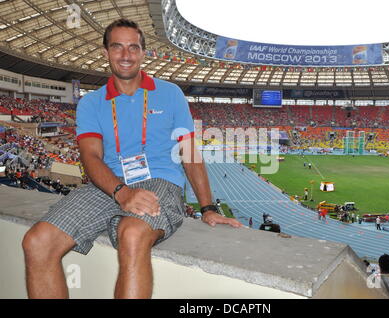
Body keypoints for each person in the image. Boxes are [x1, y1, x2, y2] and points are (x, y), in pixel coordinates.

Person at [21, 19, 242, 300]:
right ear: (106, 52)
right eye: (117, 47)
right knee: (37, 242)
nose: (125, 55)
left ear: (143, 53)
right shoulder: (91, 103)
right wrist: (121, 192)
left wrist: (208, 207)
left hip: (161, 181)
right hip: (109, 185)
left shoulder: (171, 94)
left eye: (133, 48)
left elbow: (189, 152)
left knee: (133, 234)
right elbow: (90, 156)